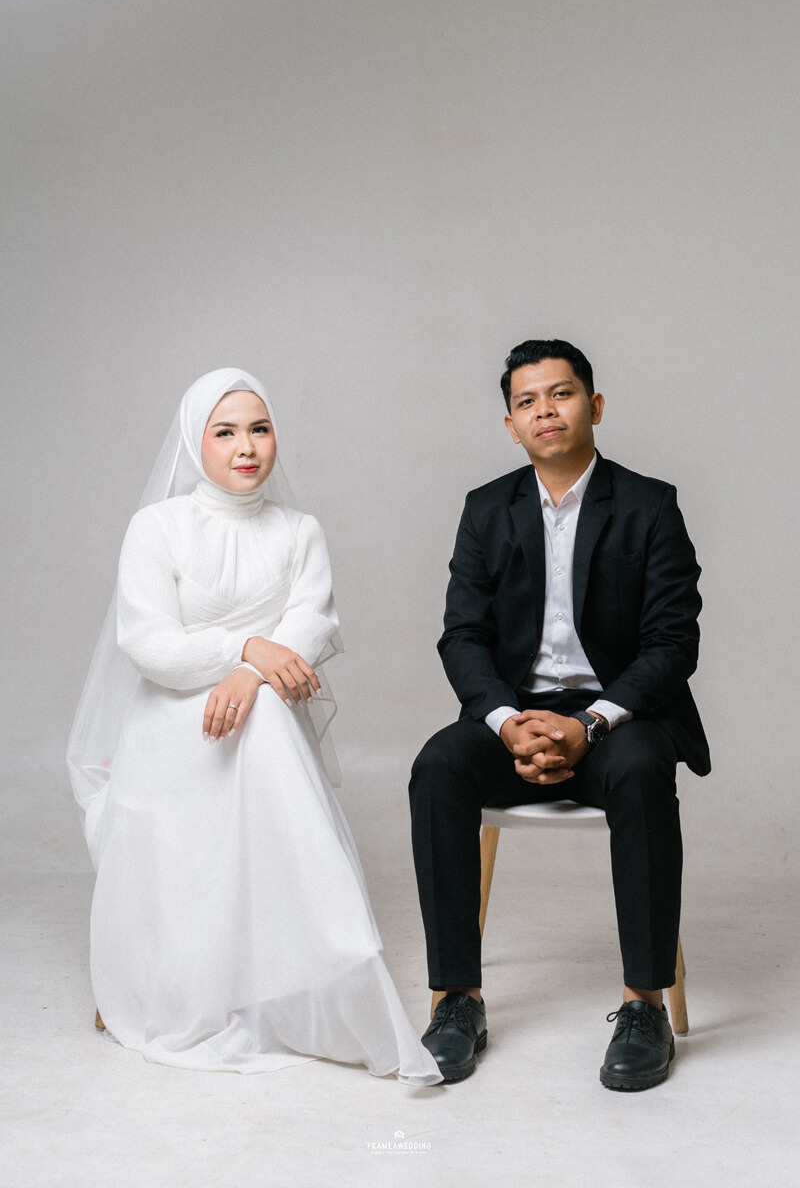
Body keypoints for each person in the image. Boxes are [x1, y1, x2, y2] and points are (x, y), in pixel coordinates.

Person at [67, 368, 440, 1085]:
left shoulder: (300, 531)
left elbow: (311, 623)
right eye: (226, 432)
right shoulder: (158, 527)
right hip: (175, 720)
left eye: (260, 429)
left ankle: (295, 974)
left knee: (266, 712)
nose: (247, 447)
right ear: (194, 442)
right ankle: (175, 984)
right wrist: (246, 651)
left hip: (262, 717)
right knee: (256, 725)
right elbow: (148, 643)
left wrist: (250, 675)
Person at [409, 339, 710, 1090]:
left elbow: (672, 643)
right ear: (511, 425)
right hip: (517, 714)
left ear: (594, 406)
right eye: (527, 401)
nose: (545, 411)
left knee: (642, 769)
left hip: (618, 718)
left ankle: (643, 1006)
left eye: (562, 394)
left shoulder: (649, 505)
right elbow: (462, 636)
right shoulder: (486, 509)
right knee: (439, 766)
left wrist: (591, 725)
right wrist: (508, 722)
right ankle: (458, 1000)